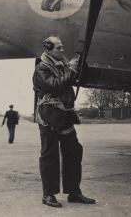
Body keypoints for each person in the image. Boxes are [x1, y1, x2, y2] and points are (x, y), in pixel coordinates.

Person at [33, 36, 95, 208]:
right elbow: (55, 86)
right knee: (49, 156)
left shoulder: (63, 66)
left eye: (62, 47)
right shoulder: (42, 68)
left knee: (74, 151)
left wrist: (80, 65)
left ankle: (74, 192)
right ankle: (48, 195)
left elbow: (77, 79)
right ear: (48, 49)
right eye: (58, 48)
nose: (62, 50)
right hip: (49, 116)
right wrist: (72, 71)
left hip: (65, 115)